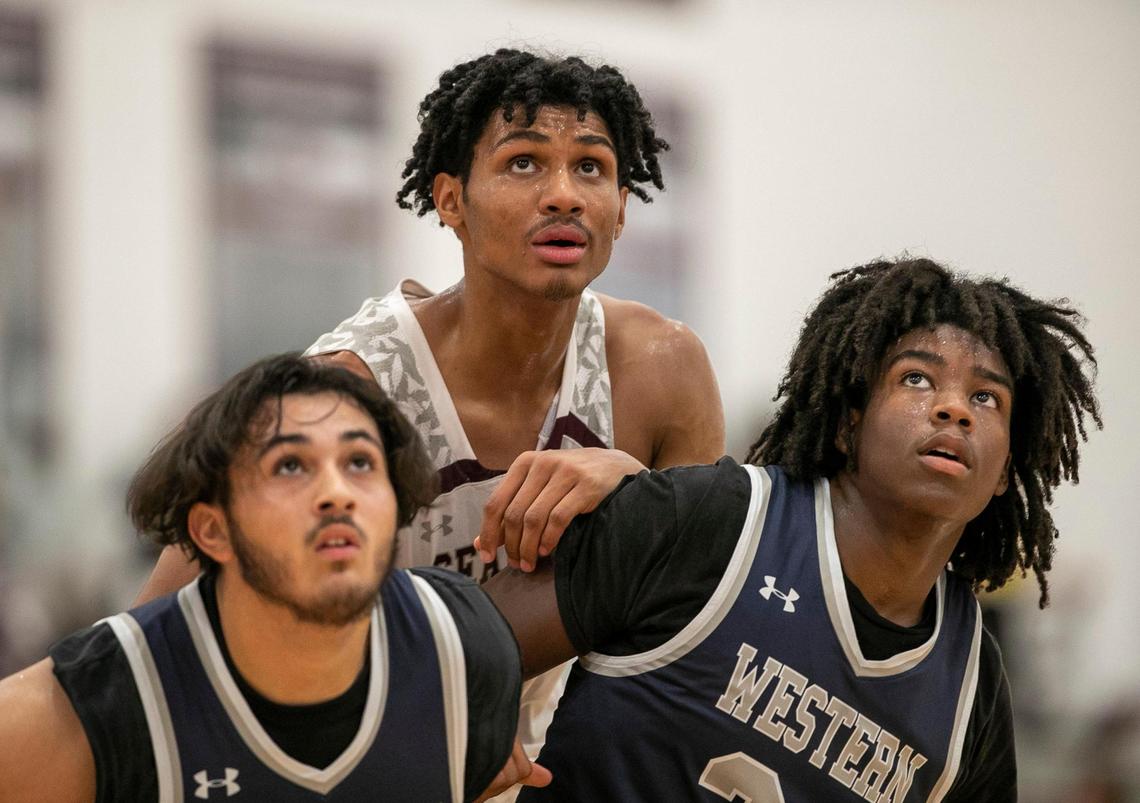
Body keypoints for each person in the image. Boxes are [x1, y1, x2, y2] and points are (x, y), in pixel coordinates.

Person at [135, 48, 725, 786]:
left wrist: (639, 491)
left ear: (622, 210)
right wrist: (435, 717)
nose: (564, 195)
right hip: (359, 750)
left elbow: (699, 635)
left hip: (556, 765)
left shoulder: (664, 370)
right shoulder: (349, 387)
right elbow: (153, 630)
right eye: (523, 163)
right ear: (450, 201)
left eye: (591, 169)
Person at [487, 257, 1102, 801]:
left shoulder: (971, 687)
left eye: (987, 398)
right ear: (846, 425)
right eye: (916, 378)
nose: (954, 409)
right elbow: (459, 650)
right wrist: (466, 734)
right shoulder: (717, 520)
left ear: (1003, 475)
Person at [0, 354, 524, 802]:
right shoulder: (81, 709)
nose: (337, 492)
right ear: (213, 529)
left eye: (360, 462)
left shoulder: (466, 648)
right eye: (291, 466)